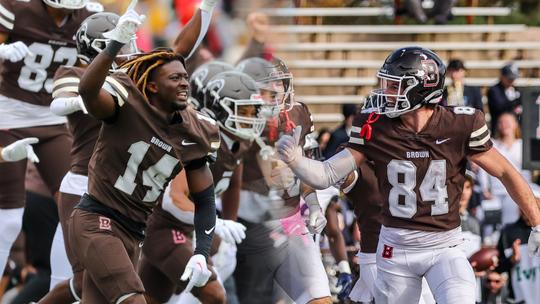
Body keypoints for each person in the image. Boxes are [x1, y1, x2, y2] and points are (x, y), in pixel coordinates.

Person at [276, 46, 540, 303]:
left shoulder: (460, 124)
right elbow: (326, 175)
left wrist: (536, 223)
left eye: (394, 86)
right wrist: (296, 161)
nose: (385, 92)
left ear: (421, 87)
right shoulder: (375, 125)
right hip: (395, 250)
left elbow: (506, 171)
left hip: (444, 246)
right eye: (386, 84)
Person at [71, 3, 217, 302]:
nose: (184, 83)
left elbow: (205, 199)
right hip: (97, 219)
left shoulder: (194, 132)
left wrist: (201, 252)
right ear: (151, 86)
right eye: (174, 79)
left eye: (185, 77)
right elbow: (87, 92)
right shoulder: (127, 105)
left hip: (135, 231)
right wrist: (113, 46)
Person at [138, 70, 265, 304]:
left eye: (253, 111)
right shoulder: (203, 142)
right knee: (213, 294)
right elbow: (173, 199)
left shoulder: (239, 143)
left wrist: (230, 222)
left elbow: (233, 186)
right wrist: (216, 224)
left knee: (148, 300)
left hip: (186, 230)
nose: (251, 118)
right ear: (218, 108)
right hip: (165, 229)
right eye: (243, 111)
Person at [0, 0, 101, 279]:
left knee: (76, 209)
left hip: (55, 120)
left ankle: (64, 289)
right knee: (8, 219)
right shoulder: (16, 8)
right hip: (9, 117)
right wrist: (2, 51)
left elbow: (98, 68)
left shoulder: (89, 15)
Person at [487, 63, 522, 135]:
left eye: (513, 78)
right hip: (499, 130)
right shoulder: (494, 90)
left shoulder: (516, 90)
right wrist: (516, 102)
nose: (511, 81)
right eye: (509, 78)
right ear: (502, 77)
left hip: (515, 130)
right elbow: (500, 107)